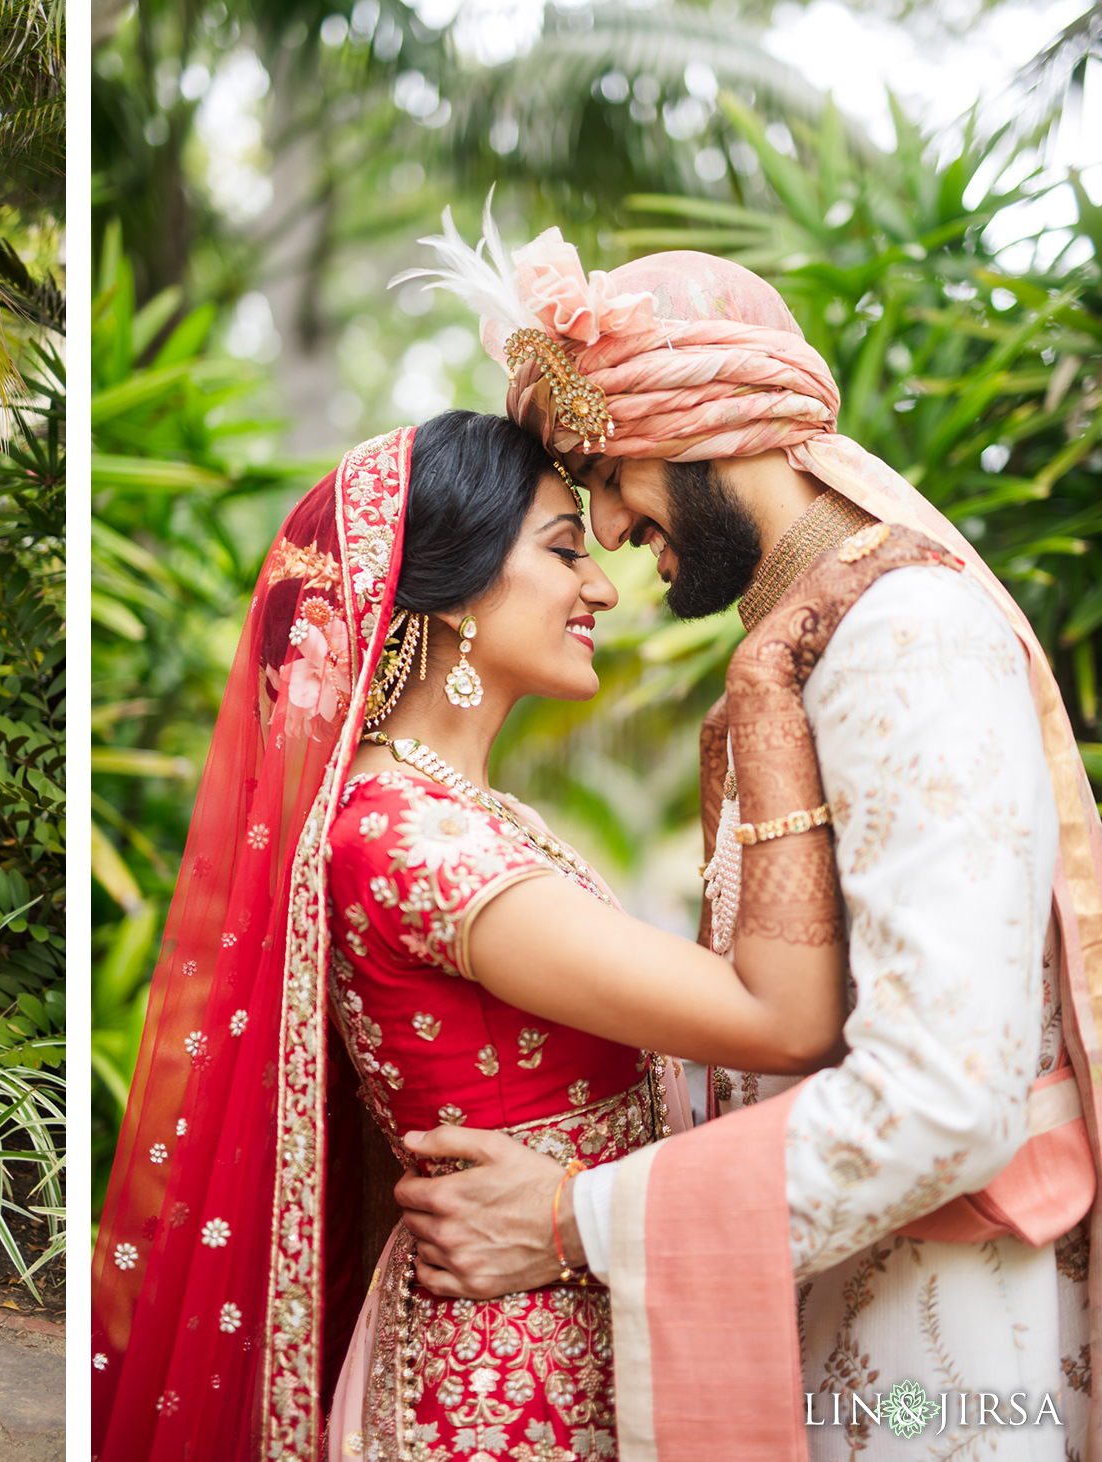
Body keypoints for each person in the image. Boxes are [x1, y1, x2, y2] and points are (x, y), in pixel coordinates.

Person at [393, 216, 1102, 1461]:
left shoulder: (903, 636)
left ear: (701, 433)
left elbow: (943, 1098)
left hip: (939, 1356)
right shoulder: (809, 652)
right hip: (840, 1321)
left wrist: (571, 1217)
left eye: (607, 479)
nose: (608, 533)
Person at [91, 409, 855, 1461]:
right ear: (448, 592)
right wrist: (767, 708)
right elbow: (780, 1016)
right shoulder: (411, 839)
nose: (598, 587)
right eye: (560, 550)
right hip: (504, 1390)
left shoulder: (459, 813)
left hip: (551, 1337)